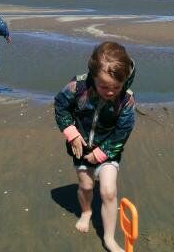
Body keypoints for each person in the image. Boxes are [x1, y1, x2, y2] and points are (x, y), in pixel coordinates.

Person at [54, 41, 136, 252]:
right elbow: (61, 106)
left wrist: (102, 153)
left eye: (116, 87)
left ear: (124, 81)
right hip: (81, 146)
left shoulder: (125, 101)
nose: (110, 92)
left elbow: (123, 131)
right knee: (87, 187)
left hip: (109, 149)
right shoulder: (78, 87)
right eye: (104, 86)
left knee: (108, 191)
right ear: (93, 76)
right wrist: (71, 134)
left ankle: (109, 238)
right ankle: (87, 211)